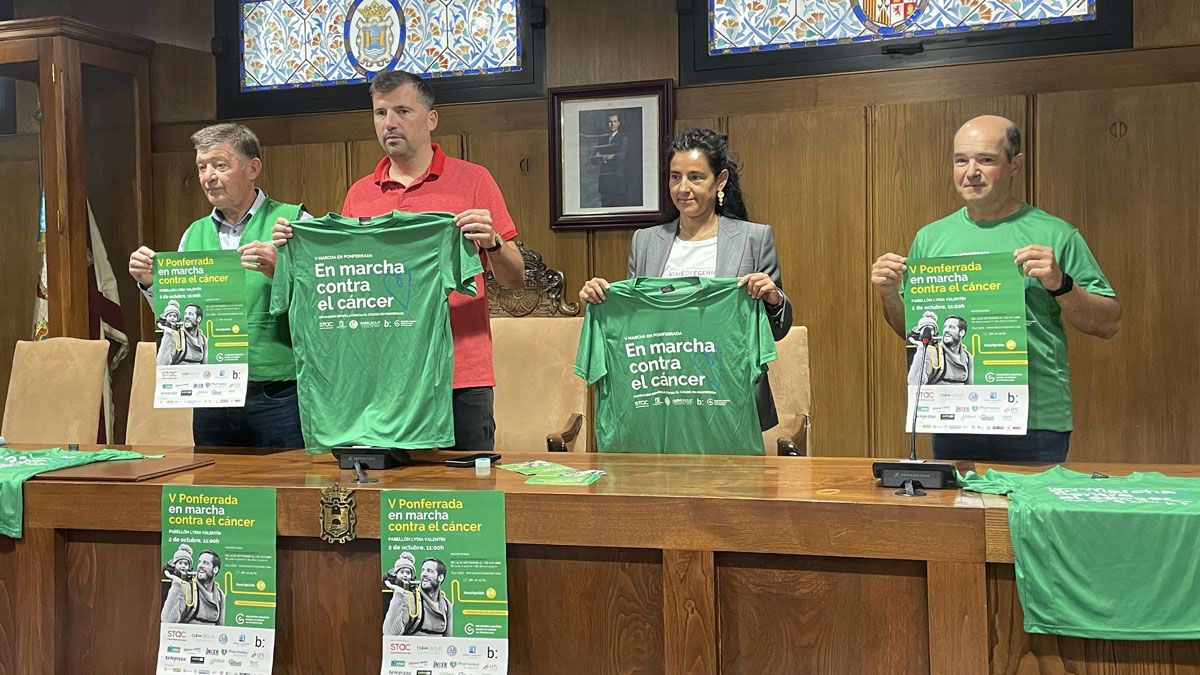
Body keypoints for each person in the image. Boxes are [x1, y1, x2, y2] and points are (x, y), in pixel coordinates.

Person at [273, 70, 525, 451]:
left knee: (468, 502)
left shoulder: (474, 180)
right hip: (382, 382)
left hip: (460, 374)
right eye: (380, 113)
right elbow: (349, 282)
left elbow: (514, 278)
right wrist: (296, 245)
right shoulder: (360, 193)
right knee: (384, 501)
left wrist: (492, 243)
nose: (389, 123)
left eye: (403, 111)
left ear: (431, 118)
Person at [871, 115, 1120, 462]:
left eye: (985, 159)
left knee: (1024, 518)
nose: (971, 171)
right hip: (953, 417)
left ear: (1015, 164)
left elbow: (1107, 323)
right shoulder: (930, 238)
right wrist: (888, 295)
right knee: (959, 516)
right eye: (961, 160)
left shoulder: (1056, 234)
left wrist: (1061, 284)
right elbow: (913, 334)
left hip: (1035, 423)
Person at [578, 127, 793, 432]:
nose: (683, 188)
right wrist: (602, 297)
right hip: (662, 397)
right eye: (675, 177)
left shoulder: (753, 239)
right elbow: (636, 323)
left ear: (720, 181)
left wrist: (772, 298)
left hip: (731, 400)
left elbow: (776, 330)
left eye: (695, 177)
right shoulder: (646, 242)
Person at [128, 123, 307, 448]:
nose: (208, 176)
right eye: (201, 167)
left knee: (287, 491)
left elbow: (323, 303)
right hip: (210, 395)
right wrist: (151, 284)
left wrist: (282, 272)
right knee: (216, 493)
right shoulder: (193, 234)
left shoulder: (292, 222)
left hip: (277, 395)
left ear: (253, 168)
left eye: (220, 165)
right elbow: (177, 315)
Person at [161, 549, 224, 625]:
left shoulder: (220, 595)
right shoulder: (187, 588)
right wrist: (177, 584)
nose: (200, 565)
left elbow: (221, 628)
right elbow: (168, 620)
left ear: (215, 569)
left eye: (206, 563)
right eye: (199, 562)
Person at [906, 313, 973, 385]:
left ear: (961, 332)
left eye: (951, 327)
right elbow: (915, 382)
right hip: (936, 395)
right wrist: (921, 349)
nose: (946, 330)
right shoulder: (932, 352)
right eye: (945, 327)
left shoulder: (967, 357)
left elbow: (970, 387)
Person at [398, 558, 453, 637]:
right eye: (423, 570)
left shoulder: (447, 605)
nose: (424, 574)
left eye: (429, 571)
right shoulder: (410, 599)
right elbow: (395, 634)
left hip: (439, 648)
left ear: (440, 577)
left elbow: (448, 639)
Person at [593, 112, 630, 206]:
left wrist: (602, 156)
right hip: (604, 183)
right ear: (607, 123)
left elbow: (619, 159)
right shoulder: (602, 140)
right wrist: (607, 157)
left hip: (617, 183)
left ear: (618, 123)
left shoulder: (623, 139)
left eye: (615, 121)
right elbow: (593, 159)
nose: (612, 124)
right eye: (610, 122)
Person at [382, 551, 418, 636]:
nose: (405, 575)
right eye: (402, 572)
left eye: (408, 573)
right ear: (396, 573)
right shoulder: (388, 588)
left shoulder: (414, 590)